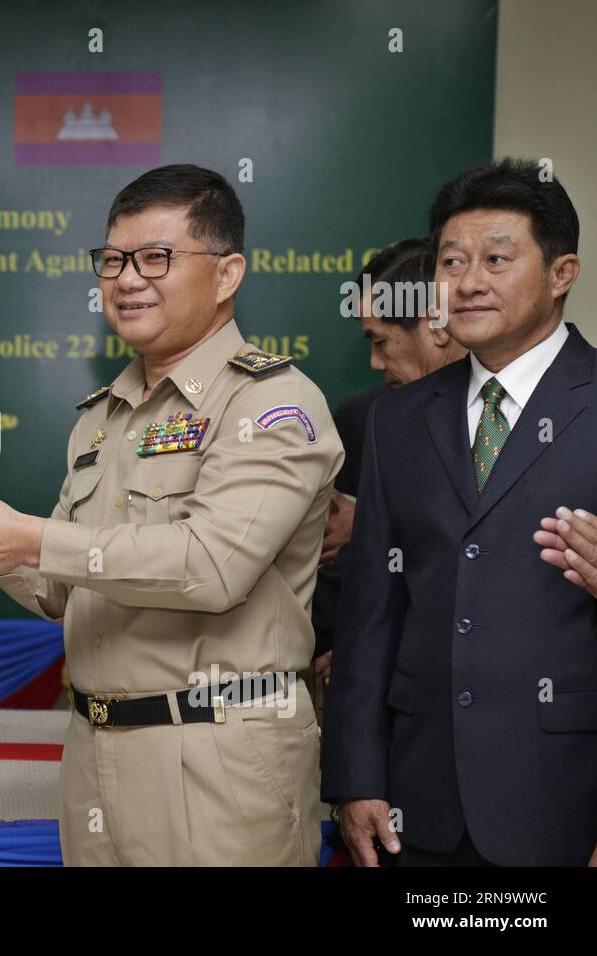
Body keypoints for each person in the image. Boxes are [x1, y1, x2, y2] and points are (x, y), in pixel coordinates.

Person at [0, 164, 342, 865]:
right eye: (112, 260)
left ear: (226, 276)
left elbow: (211, 568)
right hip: (94, 753)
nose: (127, 279)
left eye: (156, 258)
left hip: (216, 758)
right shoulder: (104, 418)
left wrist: (27, 536)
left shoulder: (271, 405)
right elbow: (59, 590)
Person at [322, 158, 595, 867]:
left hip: (564, 802)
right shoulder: (398, 421)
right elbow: (371, 617)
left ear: (562, 272)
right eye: (451, 261)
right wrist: (356, 776)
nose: (468, 282)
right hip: (418, 805)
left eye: (497, 259)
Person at [312, 239, 468, 686]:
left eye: (381, 341)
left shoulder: (525, 412)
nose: (375, 362)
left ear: (437, 324)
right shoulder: (368, 418)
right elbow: (347, 571)